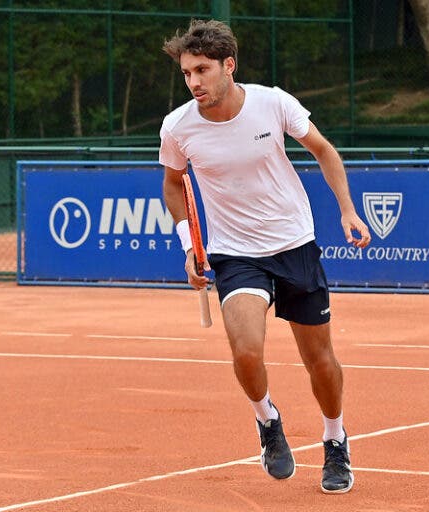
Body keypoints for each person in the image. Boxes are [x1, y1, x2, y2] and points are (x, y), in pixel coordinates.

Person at [159, 19, 371, 494]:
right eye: (187, 73)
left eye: (202, 70)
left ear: (228, 65)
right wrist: (188, 245)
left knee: (320, 360)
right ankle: (267, 421)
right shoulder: (177, 126)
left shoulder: (273, 103)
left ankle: (335, 439)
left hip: (294, 243)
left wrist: (347, 210)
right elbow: (174, 184)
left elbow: (323, 150)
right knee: (247, 350)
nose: (194, 81)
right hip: (235, 254)